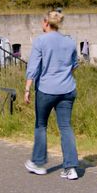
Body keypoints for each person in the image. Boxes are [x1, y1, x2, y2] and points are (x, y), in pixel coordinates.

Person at [23, 11, 79, 180]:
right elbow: (74, 65)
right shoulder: (70, 42)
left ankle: (38, 163)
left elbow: (33, 67)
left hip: (46, 90)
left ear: (46, 22)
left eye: (42, 21)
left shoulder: (40, 40)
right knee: (65, 127)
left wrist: (27, 89)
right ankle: (70, 168)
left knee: (41, 125)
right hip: (67, 89)